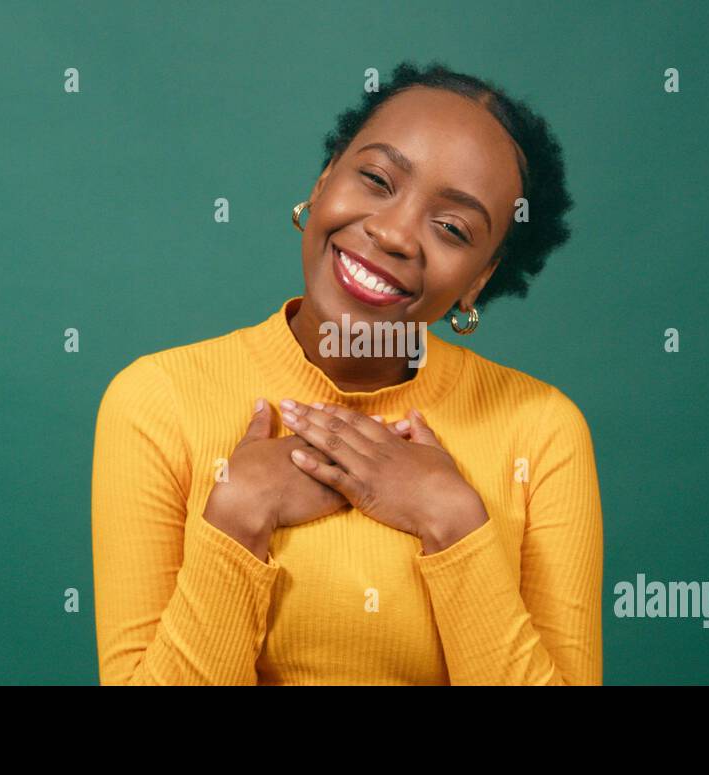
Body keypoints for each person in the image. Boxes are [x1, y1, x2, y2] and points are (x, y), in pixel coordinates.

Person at [92, 60, 601, 685]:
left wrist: (453, 522)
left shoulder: (542, 431)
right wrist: (238, 518)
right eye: (378, 180)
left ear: (479, 280)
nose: (391, 234)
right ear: (324, 179)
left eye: (451, 227)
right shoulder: (157, 401)